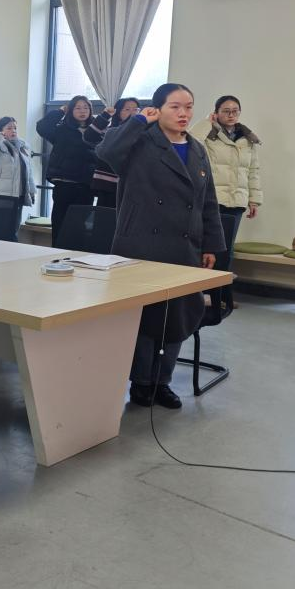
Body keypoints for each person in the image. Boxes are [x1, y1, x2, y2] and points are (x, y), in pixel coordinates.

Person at [97, 83, 224, 410]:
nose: (183, 113)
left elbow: (207, 201)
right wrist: (139, 120)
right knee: (144, 317)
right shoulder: (140, 141)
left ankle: (162, 382)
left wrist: (211, 244)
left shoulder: (196, 149)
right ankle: (141, 382)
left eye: (188, 106)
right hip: (142, 245)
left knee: (177, 316)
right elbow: (106, 151)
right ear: (158, 109)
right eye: (175, 107)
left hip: (184, 247)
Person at [203, 94, 263, 313]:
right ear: (216, 113)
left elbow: (253, 171)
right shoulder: (209, 135)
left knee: (226, 251)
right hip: (213, 201)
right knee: (209, 249)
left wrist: (254, 200)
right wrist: (206, 123)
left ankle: (222, 297)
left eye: (235, 111)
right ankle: (203, 295)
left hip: (236, 202)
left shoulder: (247, 139)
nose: (231, 115)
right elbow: (189, 140)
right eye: (226, 111)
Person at [37, 95, 102, 243]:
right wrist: (60, 111)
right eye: (77, 108)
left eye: (86, 107)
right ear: (70, 110)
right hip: (64, 183)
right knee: (60, 223)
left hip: (86, 185)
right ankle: (58, 254)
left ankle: (77, 254)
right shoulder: (62, 129)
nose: (82, 111)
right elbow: (42, 127)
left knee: (80, 227)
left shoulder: (97, 130)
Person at [0, 116, 35, 240]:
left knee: (12, 232)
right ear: (1, 130)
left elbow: (28, 171)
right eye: (9, 128)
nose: (13, 130)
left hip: (17, 197)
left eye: (15, 128)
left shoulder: (22, 146)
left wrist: (31, 191)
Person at [89, 98, 139, 208]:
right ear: (118, 112)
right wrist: (106, 115)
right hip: (107, 184)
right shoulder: (110, 131)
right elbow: (89, 136)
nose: (132, 113)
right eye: (127, 109)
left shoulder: (141, 132)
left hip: (130, 186)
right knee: (105, 215)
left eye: (135, 109)